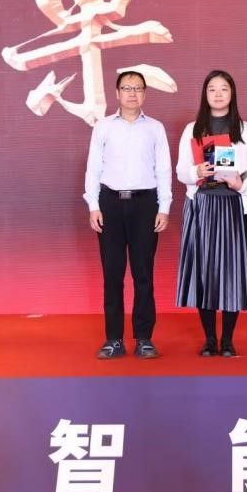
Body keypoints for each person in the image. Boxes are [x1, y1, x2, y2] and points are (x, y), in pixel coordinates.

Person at [175, 70, 247, 357]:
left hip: (233, 207)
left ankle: (227, 339)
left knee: (231, 273)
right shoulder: (192, 129)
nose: (217, 94)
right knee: (204, 273)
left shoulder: (246, 131)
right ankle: (209, 339)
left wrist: (241, 184)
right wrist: (196, 171)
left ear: (232, 93)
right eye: (212, 89)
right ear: (205, 94)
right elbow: (180, 171)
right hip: (202, 206)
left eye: (223, 88)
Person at [84, 70, 172, 360]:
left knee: (143, 274)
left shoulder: (155, 128)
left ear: (144, 94)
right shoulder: (103, 127)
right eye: (127, 88)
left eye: (138, 88)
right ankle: (114, 339)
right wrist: (93, 205)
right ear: (117, 93)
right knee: (112, 274)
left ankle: (144, 338)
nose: (132, 93)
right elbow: (93, 168)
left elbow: (163, 169)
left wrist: (164, 207)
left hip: (145, 205)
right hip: (110, 203)